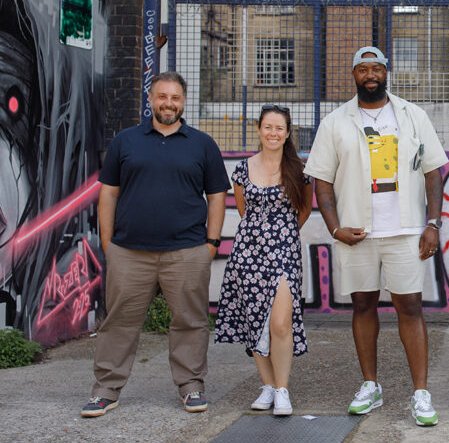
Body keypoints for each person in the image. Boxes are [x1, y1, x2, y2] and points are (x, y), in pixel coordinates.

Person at [304, 46, 447, 427]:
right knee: (363, 306)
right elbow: (322, 181)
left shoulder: (412, 116)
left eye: (376, 68)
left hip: (404, 230)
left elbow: (434, 172)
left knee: (411, 308)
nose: (370, 75)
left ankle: (420, 393)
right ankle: (371, 386)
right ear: (353, 75)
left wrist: (433, 224)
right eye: (363, 69)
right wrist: (334, 228)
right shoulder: (335, 122)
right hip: (358, 232)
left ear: (387, 72)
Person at [81, 72, 230, 417]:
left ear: (184, 101)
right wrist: (108, 243)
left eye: (175, 97)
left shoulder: (202, 144)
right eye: (162, 97)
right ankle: (106, 389)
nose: (168, 103)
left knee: (190, 322)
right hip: (130, 252)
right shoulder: (126, 141)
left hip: (187, 251)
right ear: (150, 99)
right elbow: (108, 194)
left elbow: (217, 195)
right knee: (118, 322)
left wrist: (211, 242)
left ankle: (191, 386)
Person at [215, 105, 314, 416]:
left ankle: (282, 389)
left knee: (281, 323)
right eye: (268, 127)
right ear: (259, 130)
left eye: (279, 128)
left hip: (285, 252)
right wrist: (259, 237)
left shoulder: (299, 170)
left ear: (287, 133)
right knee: (254, 319)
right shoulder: (243, 169)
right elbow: (244, 210)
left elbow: (305, 210)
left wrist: (281, 235)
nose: (273, 133)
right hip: (248, 253)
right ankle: (268, 386)